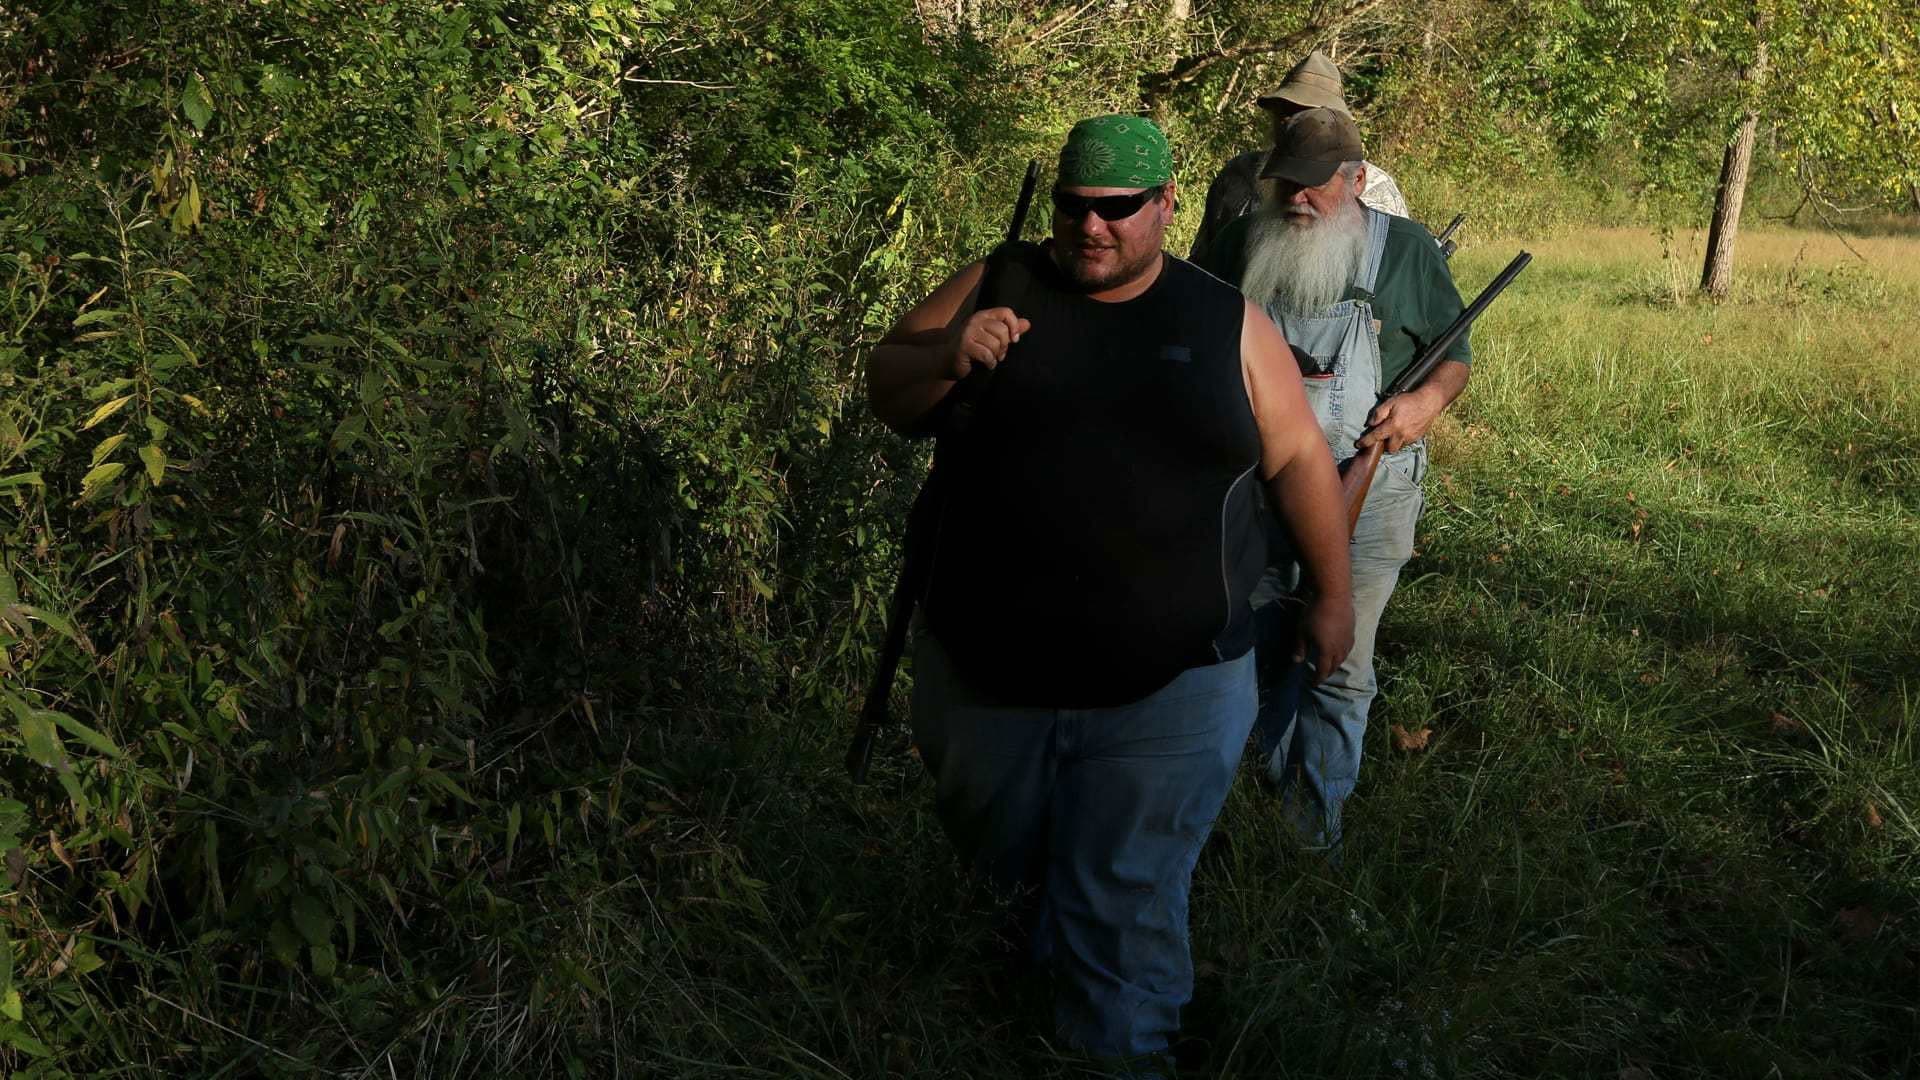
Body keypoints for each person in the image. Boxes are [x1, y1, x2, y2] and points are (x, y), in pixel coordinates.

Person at [865, 115, 1355, 1072]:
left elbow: (1298, 455)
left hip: (1173, 685)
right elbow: (888, 385)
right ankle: (1030, 1008)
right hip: (985, 674)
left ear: (1167, 205)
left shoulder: (1224, 323)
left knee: (1123, 895)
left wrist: (1331, 594)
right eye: (1074, 207)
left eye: (1118, 209)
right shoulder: (998, 282)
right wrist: (948, 354)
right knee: (1008, 872)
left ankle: (1124, 1054)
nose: (1092, 228)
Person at [1195, 106, 1470, 851]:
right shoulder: (1238, 243)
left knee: (1341, 664)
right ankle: (1229, 805)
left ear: (1356, 180)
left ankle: (1311, 831)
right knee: (1242, 646)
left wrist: (1423, 404)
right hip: (1251, 491)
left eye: (1316, 185)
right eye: (1285, 184)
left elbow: (1455, 357)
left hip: (1370, 493)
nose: (1299, 200)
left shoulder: (1408, 253)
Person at [1189, 50, 1408, 265]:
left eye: (1311, 117)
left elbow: (1395, 270)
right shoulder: (1238, 175)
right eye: (1286, 113)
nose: (1296, 126)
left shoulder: (1376, 187)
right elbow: (1203, 264)